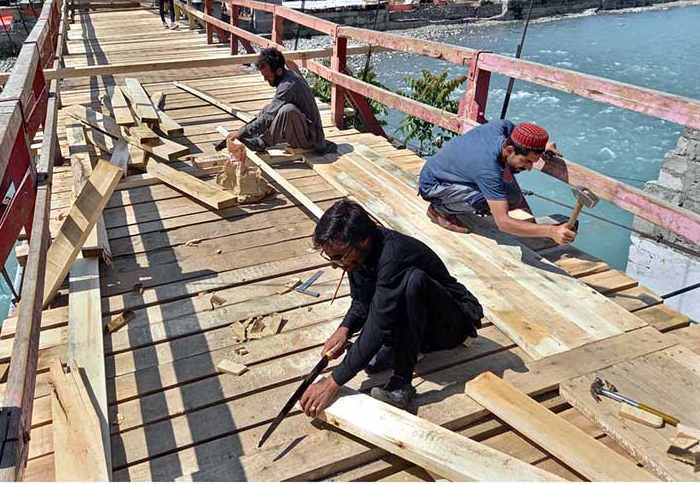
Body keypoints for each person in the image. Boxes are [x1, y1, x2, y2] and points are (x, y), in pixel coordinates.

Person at [298, 200, 484, 416]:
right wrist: (345, 328)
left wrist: (333, 382)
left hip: (453, 324)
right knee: (371, 360)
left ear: (363, 240)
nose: (335, 264)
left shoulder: (394, 254)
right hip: (421, 322)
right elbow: (362, 302)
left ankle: (401, 383)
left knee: (413, 282)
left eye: (339, 258)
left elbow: (379, 321)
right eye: (331, 258)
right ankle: (411, 347)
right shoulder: (355, 254)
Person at [418, 119, 576, 245]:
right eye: (526, 161)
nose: (529, 168)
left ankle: (453, 203)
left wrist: (543, 147)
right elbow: (503, 223)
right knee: (485, 198)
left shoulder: (502, 127)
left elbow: (520, 136)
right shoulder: (488, 170)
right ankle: (439, 209)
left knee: (512, 196)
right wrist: (550, 231)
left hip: (444, 171)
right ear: (509, 151)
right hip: (434, 186)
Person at [215, 47, 336, 154]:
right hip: (303, 131)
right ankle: (258, 138)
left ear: (278, 71)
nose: (265, 80)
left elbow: (269, 117)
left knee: (287, 110)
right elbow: (269, 112)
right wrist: (241, 132)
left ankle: (261, 142)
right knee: (268, 108)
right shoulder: (288, 76)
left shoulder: (288, 85)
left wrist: (240, 133)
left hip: (312, 139)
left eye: (267, 76)